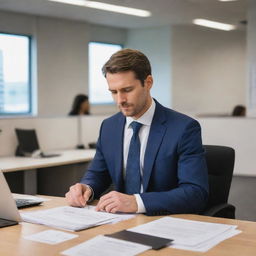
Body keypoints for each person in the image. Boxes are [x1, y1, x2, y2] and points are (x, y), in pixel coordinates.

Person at [65, 49, 209, 216]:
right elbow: (98, 173)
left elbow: (195, 193)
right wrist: (86, 187)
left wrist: (137, 202)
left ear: (148, 83)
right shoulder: (109, 127)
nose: (120, 100)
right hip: (118, 221)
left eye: (127, 90)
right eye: (113, 92)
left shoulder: (183, 128)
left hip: (163, 220)